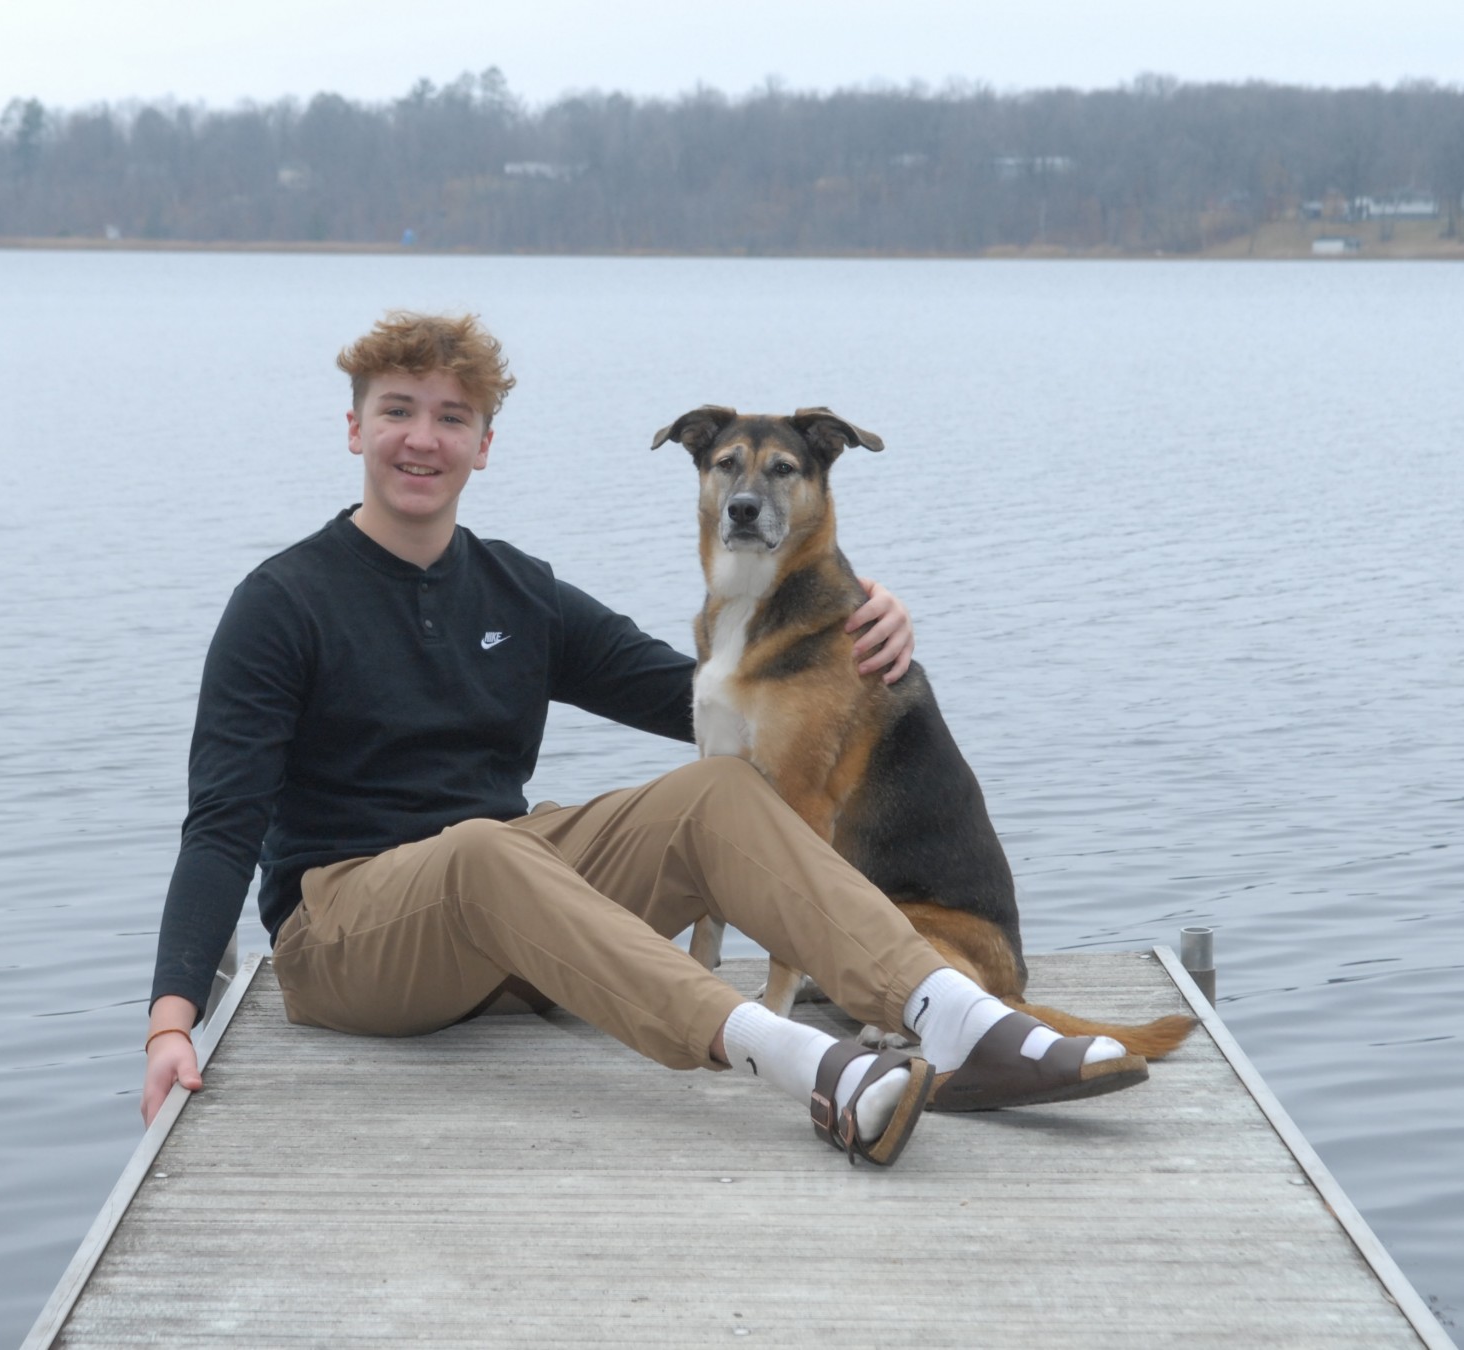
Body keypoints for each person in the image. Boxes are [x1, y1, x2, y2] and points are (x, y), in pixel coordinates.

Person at [141, 311, 1147, 1165]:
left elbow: (708, 702)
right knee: (485, 849)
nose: (422, 439)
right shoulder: (281, 603)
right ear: (354, 426)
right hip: (346, 932)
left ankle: (966, 1025)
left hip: (508, 915)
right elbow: (222, 823)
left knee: (718, 790)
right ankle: (810, 1064)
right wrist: (172, 1019)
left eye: (452, 417)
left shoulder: (516, 590)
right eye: (398, 411)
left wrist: (864, 626)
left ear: (484, 444)